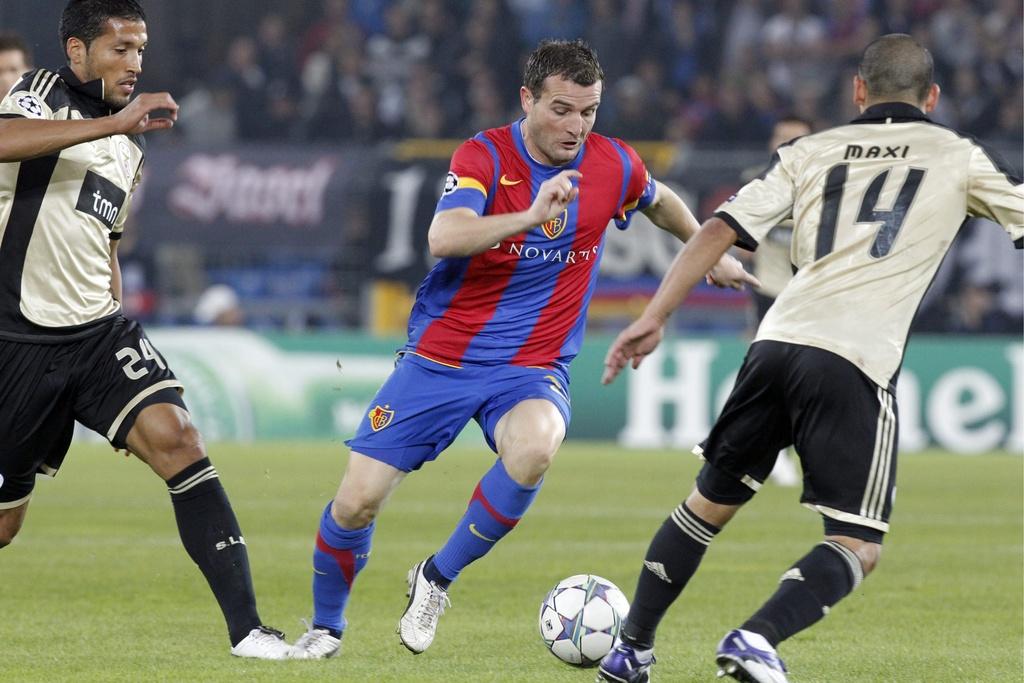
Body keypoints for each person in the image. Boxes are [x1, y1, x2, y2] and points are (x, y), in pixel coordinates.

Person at [290, 39, 758, 660]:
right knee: (356, 502)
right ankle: (326, 629)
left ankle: (435, 578)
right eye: (562, 109)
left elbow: (661, 198)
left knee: (537, 445)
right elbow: (444, 236)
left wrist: (709, 250)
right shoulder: (483, 156)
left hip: (532, 367)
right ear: (528, 99)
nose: (577, 127)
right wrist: (529, 217)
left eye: (589, 112)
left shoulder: (612, 164)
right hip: (442, 357)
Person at [597, 33, 1022, 683]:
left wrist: (653, 316)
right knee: (856, 542)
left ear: (857, 91)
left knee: (706, 505)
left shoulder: (809, 150)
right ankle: (755, 636)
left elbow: (717, 229)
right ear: (932, 97)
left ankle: (631, 648)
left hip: (774, 341)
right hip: (852, 357)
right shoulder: (956, 155)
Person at [0, 0, 291, 659]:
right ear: (78, 53)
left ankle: (249, 631)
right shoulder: (40, 92)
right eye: (119, 49)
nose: (134, 64)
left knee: (179, 438)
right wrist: (116, 120)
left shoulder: (126, 148)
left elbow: (104, 242)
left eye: (140, 50)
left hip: (98, 337)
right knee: (5, 525)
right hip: (18, 345)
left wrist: (116, 312)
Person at [742, 115, 814, 489]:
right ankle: (775, 452)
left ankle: (798, 450)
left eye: (795, 139)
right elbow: (736, 233)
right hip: (768, 291)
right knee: (771, 377)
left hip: (812, 292)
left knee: (811, 379)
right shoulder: (756, 179)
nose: (785, 145)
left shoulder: (827, 181)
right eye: (780, 137)